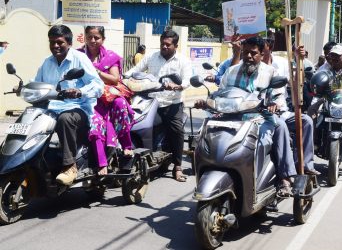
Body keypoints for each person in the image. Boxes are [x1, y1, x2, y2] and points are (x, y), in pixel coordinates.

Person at [196, 36, 298, 197]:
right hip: (230, 116)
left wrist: (274, 104)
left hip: (260, 117)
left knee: (281, 127)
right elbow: (219, 93)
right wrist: (206, 101)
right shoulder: (231, 71)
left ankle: (285, 176)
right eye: (245, 53)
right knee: (207, 134)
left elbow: (278, 95)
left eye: (253, 53)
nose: (249, 56)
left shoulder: (270, 72)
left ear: (262, 54)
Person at [34, 25, 103, 185]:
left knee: (65, 119)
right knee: (30, 116)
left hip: (78, 109)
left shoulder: (80, 59)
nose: (55, 46)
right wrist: (23, 88)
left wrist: (80, 91)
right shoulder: (47, 62)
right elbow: (37, 82)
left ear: (69, 43)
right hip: (52, 108)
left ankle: (70, 166)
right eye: (52, 42)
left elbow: (98, 84)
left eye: (59, 42)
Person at [126, 30, 192, 182]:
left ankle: (177, 167)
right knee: (137, 124)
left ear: (176, 45)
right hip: (151, 102)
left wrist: (178, 86)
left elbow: (187, 80)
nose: (164, 46)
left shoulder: (183, 61)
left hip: (172, 103)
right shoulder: (151, 57)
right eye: (162, 43)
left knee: (176, 130)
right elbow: (135, 71)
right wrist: (124, 77)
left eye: (168, 44)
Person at [78, 26, 134, 175]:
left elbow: (115, 79)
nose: (92, 40)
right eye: (89, 37)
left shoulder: (110, 57)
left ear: (103, 39)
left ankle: (127, 145)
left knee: (121, 103)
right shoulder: (77, 55)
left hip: (108, 97)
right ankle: (102, 163)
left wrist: (96, 71)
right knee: (95, 123)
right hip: (88, 99)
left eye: (96, 37)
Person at [263, 38, 320, 175]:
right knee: (280, 125)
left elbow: (295, 83)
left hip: (282, 110)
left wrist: (298, 60)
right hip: (262, 113)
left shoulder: (282, 63)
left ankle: (306, 164)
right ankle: (287, 174)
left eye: (261, 49)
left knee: (306, 121)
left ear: (269, 49)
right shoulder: (253, 68)